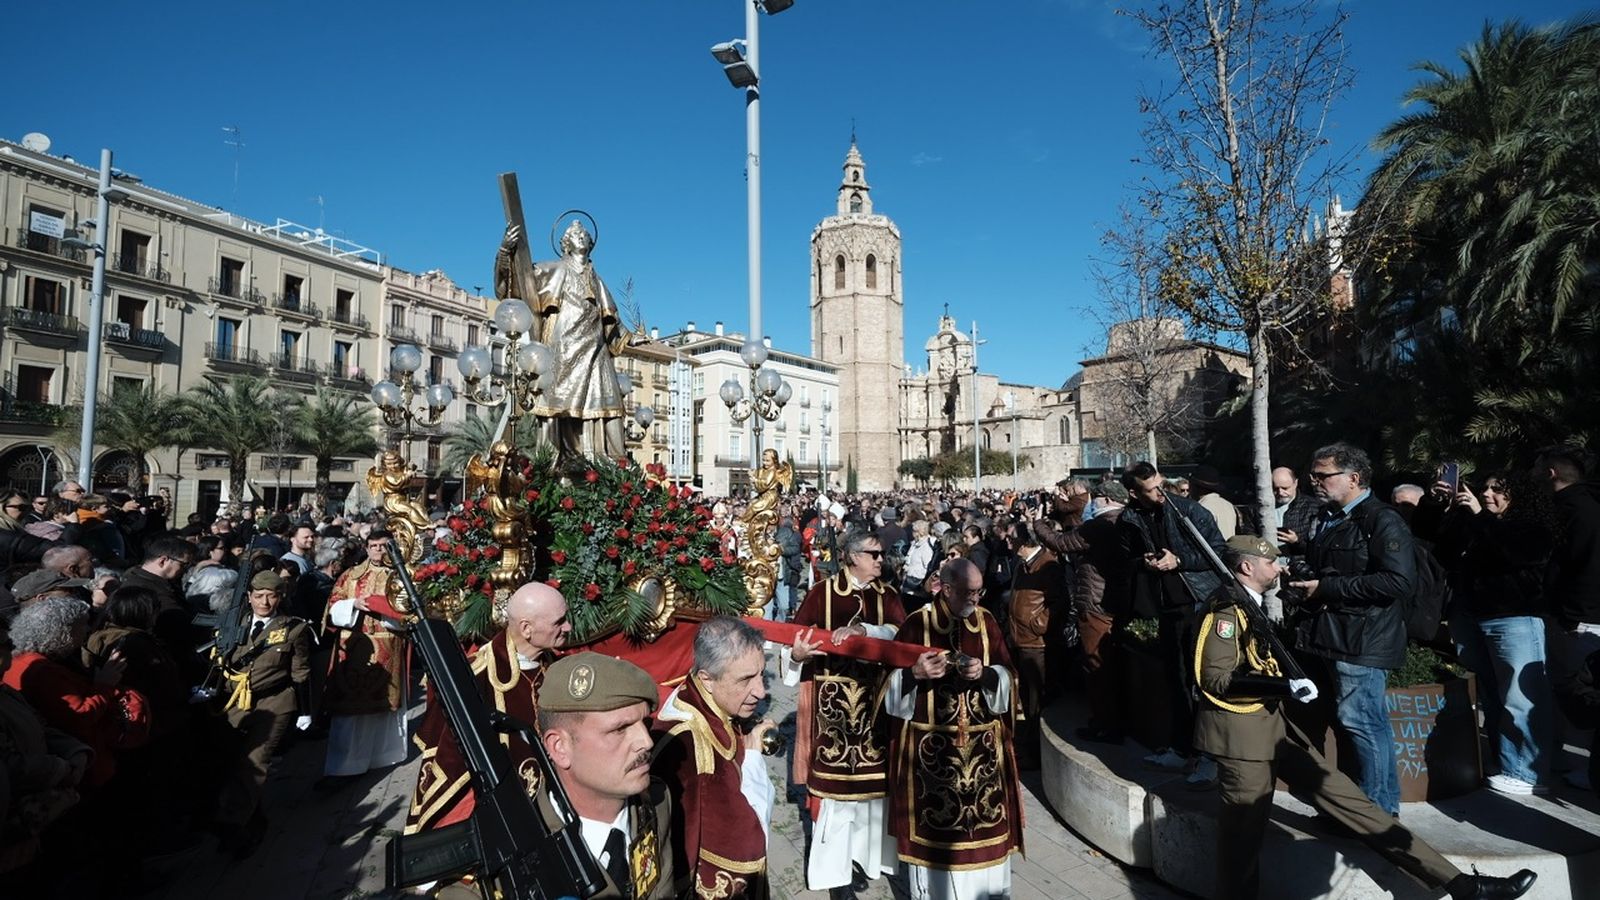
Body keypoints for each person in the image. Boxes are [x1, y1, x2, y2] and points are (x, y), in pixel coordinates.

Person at [1195, 534, 1536, 900]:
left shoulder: (1252, 604)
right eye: (1270, 562)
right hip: (1242, 739)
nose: (1279, 567)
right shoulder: (1226, 613)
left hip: (1277, 729)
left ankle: (1463, 885)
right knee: (1241, 846)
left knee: (1356, 805)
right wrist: (1282, 686)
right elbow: (1214, 678)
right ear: (1247, 567)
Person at [884, 558, 1023, 899]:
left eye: (979, 592)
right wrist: (914, 675)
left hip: (984, 760)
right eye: (969, 593)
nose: (976, 600)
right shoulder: (917, 624)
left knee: (987, 855)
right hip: (931, 762)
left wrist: (987, 674)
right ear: (946, 590)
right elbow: (883, 687)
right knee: (936, 858)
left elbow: (1010, 675)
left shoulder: (986, 620)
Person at [1286, 442, 1412, 816]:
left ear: (1353, 478)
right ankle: (1359, 808)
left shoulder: (1382, 520)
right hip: (1330, 635)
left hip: (1362, 641)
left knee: (1364, 724)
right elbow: (1327, 567)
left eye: (1323, 475)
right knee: (1350, 725)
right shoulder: (1330, 516)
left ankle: (1378, 813)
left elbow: (1398, 582)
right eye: (1313, 475)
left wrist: (1327, 588)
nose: (1315, 482)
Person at [783, 530, 907, 899]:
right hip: (831, 715)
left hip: (874, 710)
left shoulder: (889, 595)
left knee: (872, 801)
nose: (881, 559)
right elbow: (794, 639)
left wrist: (865, 631)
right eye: (874, 553)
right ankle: (835, 879)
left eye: (882, 553)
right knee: (835, 802)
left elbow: (902, 636)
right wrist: (796, 657)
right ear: (852, 557)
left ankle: (862, 862)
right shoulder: (821, 593)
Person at [405, 581, 572, 834]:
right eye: (559, 622)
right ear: (526, 629)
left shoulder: (555, 663)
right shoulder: (476, 678)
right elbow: (454, 765)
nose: (568, 627)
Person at [1435, 472, 1554, 795]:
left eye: (1497, 490)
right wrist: (1448, 508)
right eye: (1485, 488)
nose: (1487, 494)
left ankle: (1529, 772)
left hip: (1513, 617)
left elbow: (1513, 553)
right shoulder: (1479, 522)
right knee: (1490, 693)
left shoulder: (1530, 527)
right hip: (1473, 616)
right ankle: (1507, 761)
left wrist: (1479, 516)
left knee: (1521, 696)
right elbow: (1443, 552)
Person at [537, 652, 682, 899]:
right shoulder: (525, 848)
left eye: (644, 724)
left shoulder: (656, 802)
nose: (646, 742)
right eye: (620, 729)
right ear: (560, 747)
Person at [653, 616, 775, 899]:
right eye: (746, 679)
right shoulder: (690, 748)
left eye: (761, 674)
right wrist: (754, 756)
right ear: (706, 679)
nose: (761, 691)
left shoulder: (703, 698)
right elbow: (749, 842)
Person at [1118, 461, 1227, 776]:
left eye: (1160, 484)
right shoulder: (1129, 518)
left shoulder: (1189, 511)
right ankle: (1182, 749)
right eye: (1151, 490)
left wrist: (1179, 561)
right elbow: (1127, 562)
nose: (1159, 493)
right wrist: (1145, 563)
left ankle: (1209, 757)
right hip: (1163, 606)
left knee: (1199, 681)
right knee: (1175, 679)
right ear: (1134, 492)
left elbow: (1218, 553)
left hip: (1197, 602)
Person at [496, 216, 628, 465]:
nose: (581, 235)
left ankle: (606, 463)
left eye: (585, 234)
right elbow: (513, 286)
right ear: (565, 244)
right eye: (574, 234)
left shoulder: (597, 280)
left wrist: (632, 340)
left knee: (608, 407)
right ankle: (554, 461)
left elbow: (611, 321)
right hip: (562, 348)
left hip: (594, 351)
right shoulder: (551, 270)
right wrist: (505, 251)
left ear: (591, 242)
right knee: (555, 406)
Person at [213, 570, 313, 856]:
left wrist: (305, 711)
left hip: (275, 701)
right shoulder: (234, 623)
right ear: (249, 597)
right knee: (233, 762)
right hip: (234, 702)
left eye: (271, 596)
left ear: (280, 597)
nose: (265, 602)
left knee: (254, 763)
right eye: (258, 596)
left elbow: (301, 671)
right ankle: (253, 820)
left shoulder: (294, 629)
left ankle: (232, 825)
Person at [1036, 480, 1130, 742]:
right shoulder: (1124, 522)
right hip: (1114, 602)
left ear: (1109, 500)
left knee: (1097, 664)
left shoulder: (1101, 525)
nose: (1092, 502)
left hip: (1096, 605)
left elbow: (1061, 542)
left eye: (1097, 497)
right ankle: (1109, 720)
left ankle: (1105, 724)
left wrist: (1038, 523)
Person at [318, 529, 408, 790]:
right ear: (366, 547)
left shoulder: (399, 577)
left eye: (383, 545)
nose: (378, 550)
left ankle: (379, 757)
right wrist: (353, 605)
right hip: (354, 646)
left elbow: (408, 611)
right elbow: (332, 609)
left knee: (380, 711)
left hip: (387, 645)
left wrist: (390, 611)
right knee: (349, 711)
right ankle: (343, 767)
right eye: (373, 545)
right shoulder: (350, 575)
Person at [1006, 518, 1067, 768]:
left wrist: (1036, 626)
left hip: (1037, 644)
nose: (1007, 541)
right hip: (1021, 640)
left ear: (1023, 542)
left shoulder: (1048, 565)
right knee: (1026, 701)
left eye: (1011, 537)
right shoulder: (1023, 565)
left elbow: (1060, 604)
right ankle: (1029, 750)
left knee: (1036, 702)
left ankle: (1037, 756)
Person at [1271, 466, 1321, 555]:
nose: (1280, 492)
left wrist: (1296, 541)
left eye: (1285, 488)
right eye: (1275, 488)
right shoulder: (1260, 508)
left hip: (1298, 563)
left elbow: (1318, 547)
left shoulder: (1313, 508)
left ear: (1295, 483)